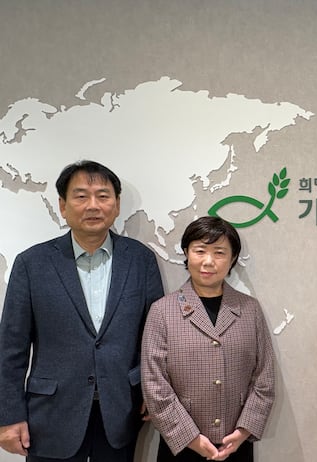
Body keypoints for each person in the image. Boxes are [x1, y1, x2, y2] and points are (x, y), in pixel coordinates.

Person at [0, 160, 164, 461]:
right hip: (50, 415)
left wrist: (152, 390)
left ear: (116, 205)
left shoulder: (140, 260)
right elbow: (10, 348)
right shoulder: (31, 264)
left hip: (121, 411)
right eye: (81, 196)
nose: (93, 205)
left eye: (103, 196)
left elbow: (155, 336)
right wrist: (8, 416)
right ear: (63, 206)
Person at [141, 216, 275, 462]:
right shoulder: (162, 311)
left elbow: (264, 378)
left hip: (235, 443)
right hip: (179, 446)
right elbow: (154, 383)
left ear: (233, 258)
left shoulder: (250, 310)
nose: (208, 261)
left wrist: (243, 431)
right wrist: (190, 437)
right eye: (200, 250)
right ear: (186, 253)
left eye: (219, 252)